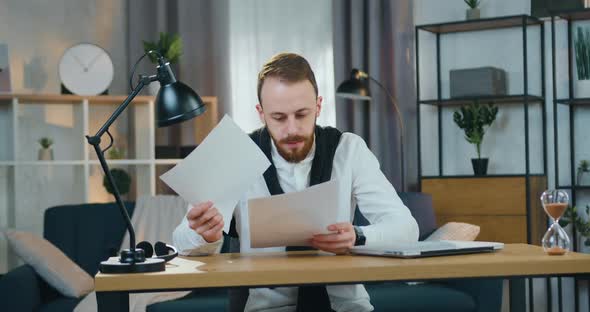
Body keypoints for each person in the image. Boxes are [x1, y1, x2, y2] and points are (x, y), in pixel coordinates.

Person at [173, 52, 419, 312]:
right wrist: (204, 236)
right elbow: (181, 242)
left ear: (319, 106)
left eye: (302, 114)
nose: (291, 129)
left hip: (346, 307)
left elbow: (407, 229)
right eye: (278, 117)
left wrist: (357, 236)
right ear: (261, 113)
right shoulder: (236, 153)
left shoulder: (350, 150)